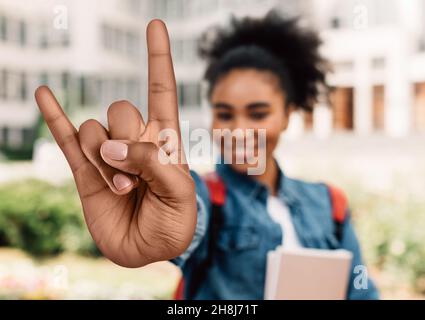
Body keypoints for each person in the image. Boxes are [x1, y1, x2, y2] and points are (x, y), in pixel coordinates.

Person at [35, 13, 378, 300]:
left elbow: (362, 292)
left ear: (288, 113)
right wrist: (164, 230)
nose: (240, 130)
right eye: (225, 114)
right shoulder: (204, 197)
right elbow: (188, 214)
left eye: (258, 114)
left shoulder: (329, 203)